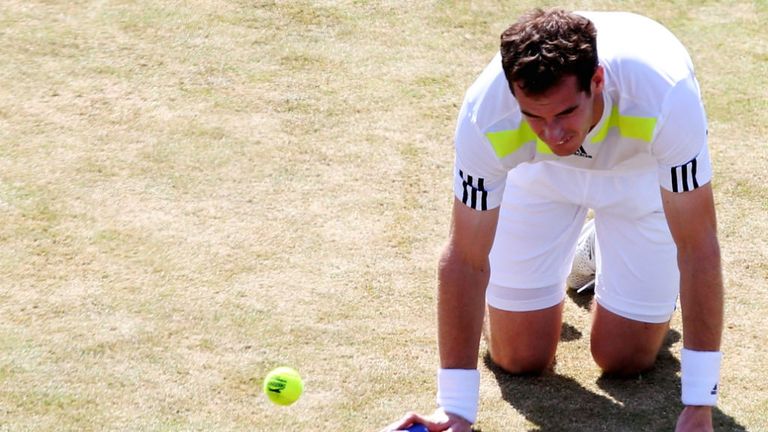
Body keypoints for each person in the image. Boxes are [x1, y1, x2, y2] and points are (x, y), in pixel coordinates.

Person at [382, 8, 723, 432]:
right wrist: (455, 407)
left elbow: (698, 246)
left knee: (623, 358)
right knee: (518, 358)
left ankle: (599, 246)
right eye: (534, 117)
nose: (553, 133)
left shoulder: (665, 96)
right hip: (538, 179)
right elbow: (465, 258)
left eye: (564, 113)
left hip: (638, 181)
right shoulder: (485, 113)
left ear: (597, 81)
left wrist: (698, 403)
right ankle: (594, 250)